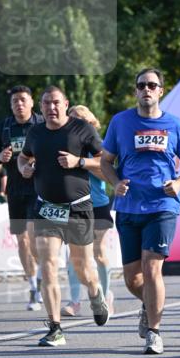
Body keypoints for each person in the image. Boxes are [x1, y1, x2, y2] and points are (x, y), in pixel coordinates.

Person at [100, 68, 180, 355]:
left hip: (162, 206)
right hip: (129, 206)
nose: (146, 89)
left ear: (161, 91)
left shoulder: (175, 125)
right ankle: (149, 304)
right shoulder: (120, 122)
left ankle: (154, 332)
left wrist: (179, 183)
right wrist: (115, 183)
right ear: (136, 91)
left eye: (152, 85)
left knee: (152, 267)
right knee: (132, 277)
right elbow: (106, 161)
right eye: (141, 85)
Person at [18, 86, 109, 347]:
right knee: (47, 265)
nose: (51, 107)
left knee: (83, 268)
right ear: (41, 106)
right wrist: (25, 168)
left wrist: (79, 162)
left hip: (79, 208)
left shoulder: (82, 129)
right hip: (46, 208)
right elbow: (23, 158)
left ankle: (95, 292)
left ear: (65, 103)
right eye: (46, 103)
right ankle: (55, 328)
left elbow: (105, 162)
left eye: (56, 102)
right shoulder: (35, 132)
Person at [0, 86, 44, 309]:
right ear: (11, 106)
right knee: (22, 241)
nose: (19, 104)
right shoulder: (4, 127)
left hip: (39, 189)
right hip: (15, 191)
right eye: (15, 101)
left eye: (22, 100)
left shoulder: (41, 124)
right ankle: (33, 288)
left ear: (31, 102)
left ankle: (41, 276)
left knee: (34, 238)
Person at [62, 105, 115, 317]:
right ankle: (74, 302)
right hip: (73, 205)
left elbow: (107, 175)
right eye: (71, 120)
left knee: (98, 253)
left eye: (78, 120)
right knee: (74, 256)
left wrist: (81, 163)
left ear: (89, 123)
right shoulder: (64, 145)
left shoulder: (97, 144)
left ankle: (106, 294)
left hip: (98, 204)